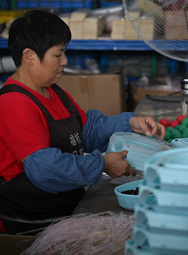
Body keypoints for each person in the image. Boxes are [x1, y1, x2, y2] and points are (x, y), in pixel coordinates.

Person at [0, 9, 165, 234]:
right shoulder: (14, 104)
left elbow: (86, 129)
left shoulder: (52, 91)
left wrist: (130, 122)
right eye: (58, 55)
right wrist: (103, 164)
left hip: (65, 209)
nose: (65, 61)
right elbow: (46, 169)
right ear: (29, 56)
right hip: (29, 223)